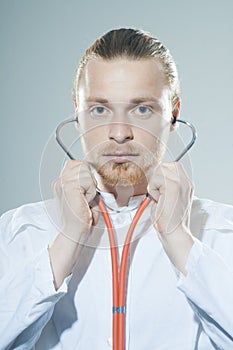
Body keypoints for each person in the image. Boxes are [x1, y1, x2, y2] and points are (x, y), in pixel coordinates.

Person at [0, 28, 233, 350]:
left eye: (142, 109)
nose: (120, 132)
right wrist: (66, 240)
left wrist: (180, 239)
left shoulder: (223, 232)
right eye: (99, 109)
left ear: (173, 116)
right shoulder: (20, 231)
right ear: (77, 114)